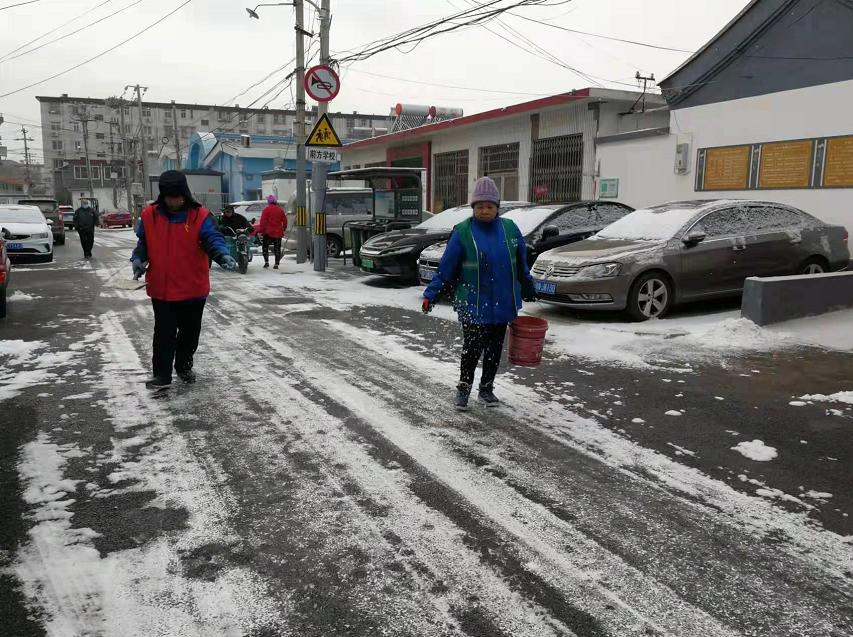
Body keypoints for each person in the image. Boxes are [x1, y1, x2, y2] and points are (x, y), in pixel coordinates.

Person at [421, 177, 537, 411]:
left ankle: (486, 389)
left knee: (494, 349)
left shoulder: (510, 229)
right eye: (480, 206)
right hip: (473, 301)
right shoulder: (463, 232)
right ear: (473, 207)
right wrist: (430, 294)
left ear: (497, 208)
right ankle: (463, 391)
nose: (485, 210)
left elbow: (521, 264)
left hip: (502, 302)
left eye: (490, 206)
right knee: (472, 349)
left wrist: (528, 288)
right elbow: (446, 268)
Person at [131, 170, 237, 390]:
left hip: (192, 289)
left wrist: (222, 255)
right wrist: (138, 259)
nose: (173, 201)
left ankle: (183, 365)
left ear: (185, 194)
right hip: (162, 288)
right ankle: (161, 375)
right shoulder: (150, 215)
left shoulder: (199, 216)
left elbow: (213, 238)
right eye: (169, 196)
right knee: (163, 334)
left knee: (189, 333)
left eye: (177, 196)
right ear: (163, 195)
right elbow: (143, 244)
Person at [258, 194, 287, 269]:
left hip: (268, 232)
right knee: (277, 248)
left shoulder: (266, 210)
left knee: (265, 247)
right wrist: (283, 228)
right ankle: (276, 263)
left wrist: (262, 230)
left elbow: (263, 221)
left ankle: (266, 262)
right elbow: (285, 220)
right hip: (278, 232)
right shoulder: (280, 210)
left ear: (268, 202)